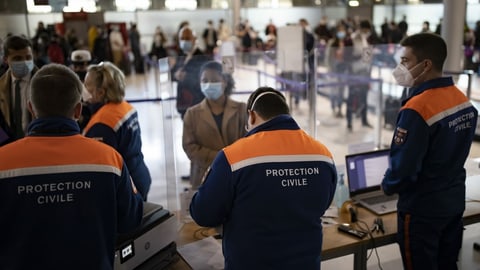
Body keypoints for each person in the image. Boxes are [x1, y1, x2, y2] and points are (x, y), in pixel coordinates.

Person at [0, 63, 143, 270]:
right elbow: (131, 219)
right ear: (78, 110)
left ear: (31, 108)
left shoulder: (3, 162)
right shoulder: (109, 160)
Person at [190, 86, 337, 269]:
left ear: (251, 116)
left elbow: (203, 214)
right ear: (286, 114)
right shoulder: (323, 155)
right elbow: (322, 204)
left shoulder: (233, 157)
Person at [381, 33, 478, 270]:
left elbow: (403, 169)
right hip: (453, 202)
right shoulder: (462, 101)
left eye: (405, 61)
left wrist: (386, 186)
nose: (400, 68)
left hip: (422, 210)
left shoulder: (417, 109)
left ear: (425, 65)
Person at [82, 61, 152, 201]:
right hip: (139, 174)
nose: (83, 88)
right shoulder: (124, 107)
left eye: (86, 84)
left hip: (126, 188)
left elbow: (102, 171)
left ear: (100, 92)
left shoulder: (101, 125)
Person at [182, 61, 247, 189]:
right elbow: (189, 147)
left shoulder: (241, 109)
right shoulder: (192, 113)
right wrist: (221, 159)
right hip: (204, 176)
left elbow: (248, 141)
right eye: (205, 80)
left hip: (237, 173)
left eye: (214, 80)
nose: (209, 84)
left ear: (225, 82)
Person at [0, 35, 38, 146]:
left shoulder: (46, 84)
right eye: (18, 58)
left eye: (28, 57)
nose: (25, 62)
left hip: (38, 146)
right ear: (6, 59)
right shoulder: (1, 87)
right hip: (9, 148)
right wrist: (4, 145)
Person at [172, 25, 212, 119]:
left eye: (187, 38)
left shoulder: (202, 57)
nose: (184, 41)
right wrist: (176, 75)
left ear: (194, 39)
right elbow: (173, 73)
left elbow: (205, 79)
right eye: (182, 39)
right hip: (183, 104)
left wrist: (186, 77)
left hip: (197, 105)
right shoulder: (181, 56)